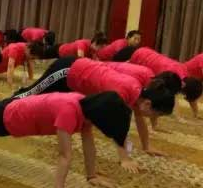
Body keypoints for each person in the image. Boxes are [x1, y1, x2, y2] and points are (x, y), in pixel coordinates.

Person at [0, 92, 131, 188]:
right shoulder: (69, 112)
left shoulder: (86, 108)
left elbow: (89, 144)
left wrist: (92, 176)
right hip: (6, 117)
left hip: (13, 114)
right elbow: (64, 155)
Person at [11, 56, 175, 158]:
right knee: (30, 94)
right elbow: (117, 128)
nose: (153, 118)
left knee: (41, 100)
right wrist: (124, 159)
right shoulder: (123, 93)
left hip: (78, 81)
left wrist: (146, 146)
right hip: (68, 70)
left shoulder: (138, 94)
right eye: (155, 115)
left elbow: (136, 120)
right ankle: (5, 106)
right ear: (148, 104)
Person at [124, 47, 203, 118]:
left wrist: (195, 114)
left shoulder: (183, 75)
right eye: (185, 95)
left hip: (146, 53)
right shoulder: (173, 78)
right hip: (140, 57)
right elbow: (163, 97)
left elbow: (190, 97)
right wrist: (179, 117)